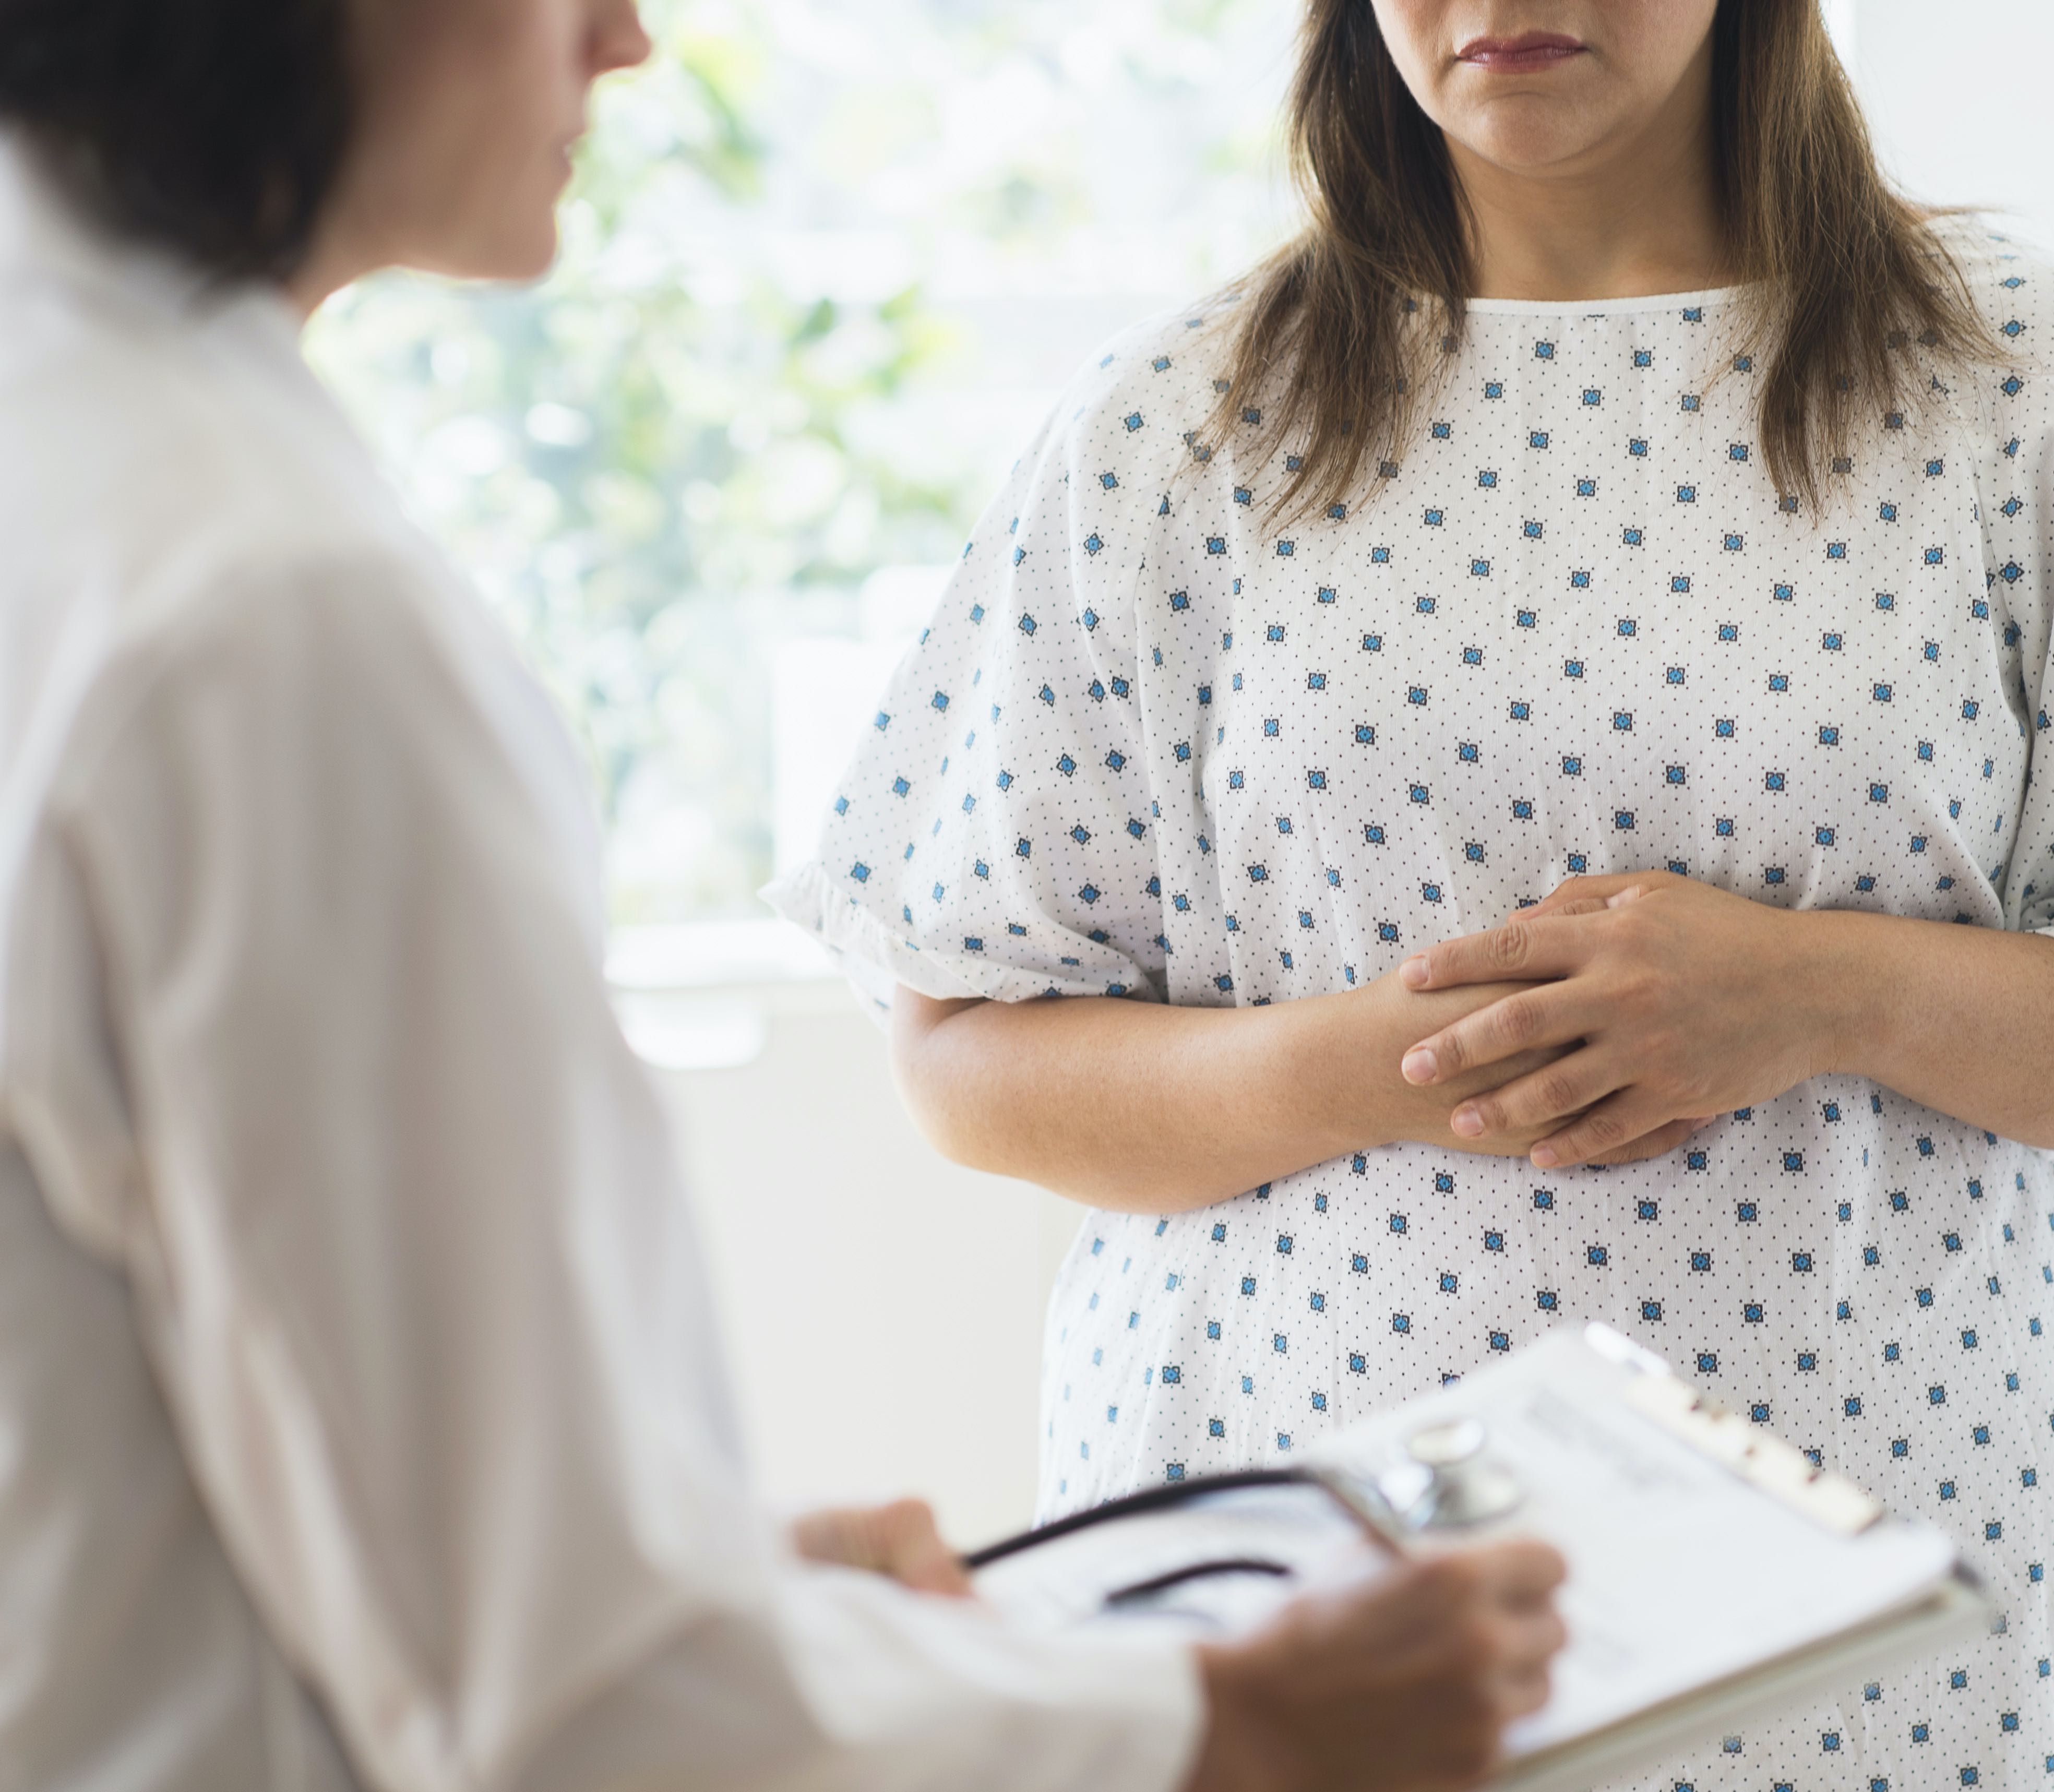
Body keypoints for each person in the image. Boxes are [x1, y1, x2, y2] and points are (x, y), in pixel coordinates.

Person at [777, 1, 2054, 1786]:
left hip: (1921, 1612)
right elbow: (965, 1047)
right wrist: (1389, 1061)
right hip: (1321, 1617)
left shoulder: (2032, 376)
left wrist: (1818, 990)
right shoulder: (1178, 423)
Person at [0, 1, 1571, 1788]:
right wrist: (1229, 1723)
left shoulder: (90, 477)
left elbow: (193, 1454)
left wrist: (722, 1592)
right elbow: (580, 1705)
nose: (627, 40)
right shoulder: (267, 619)